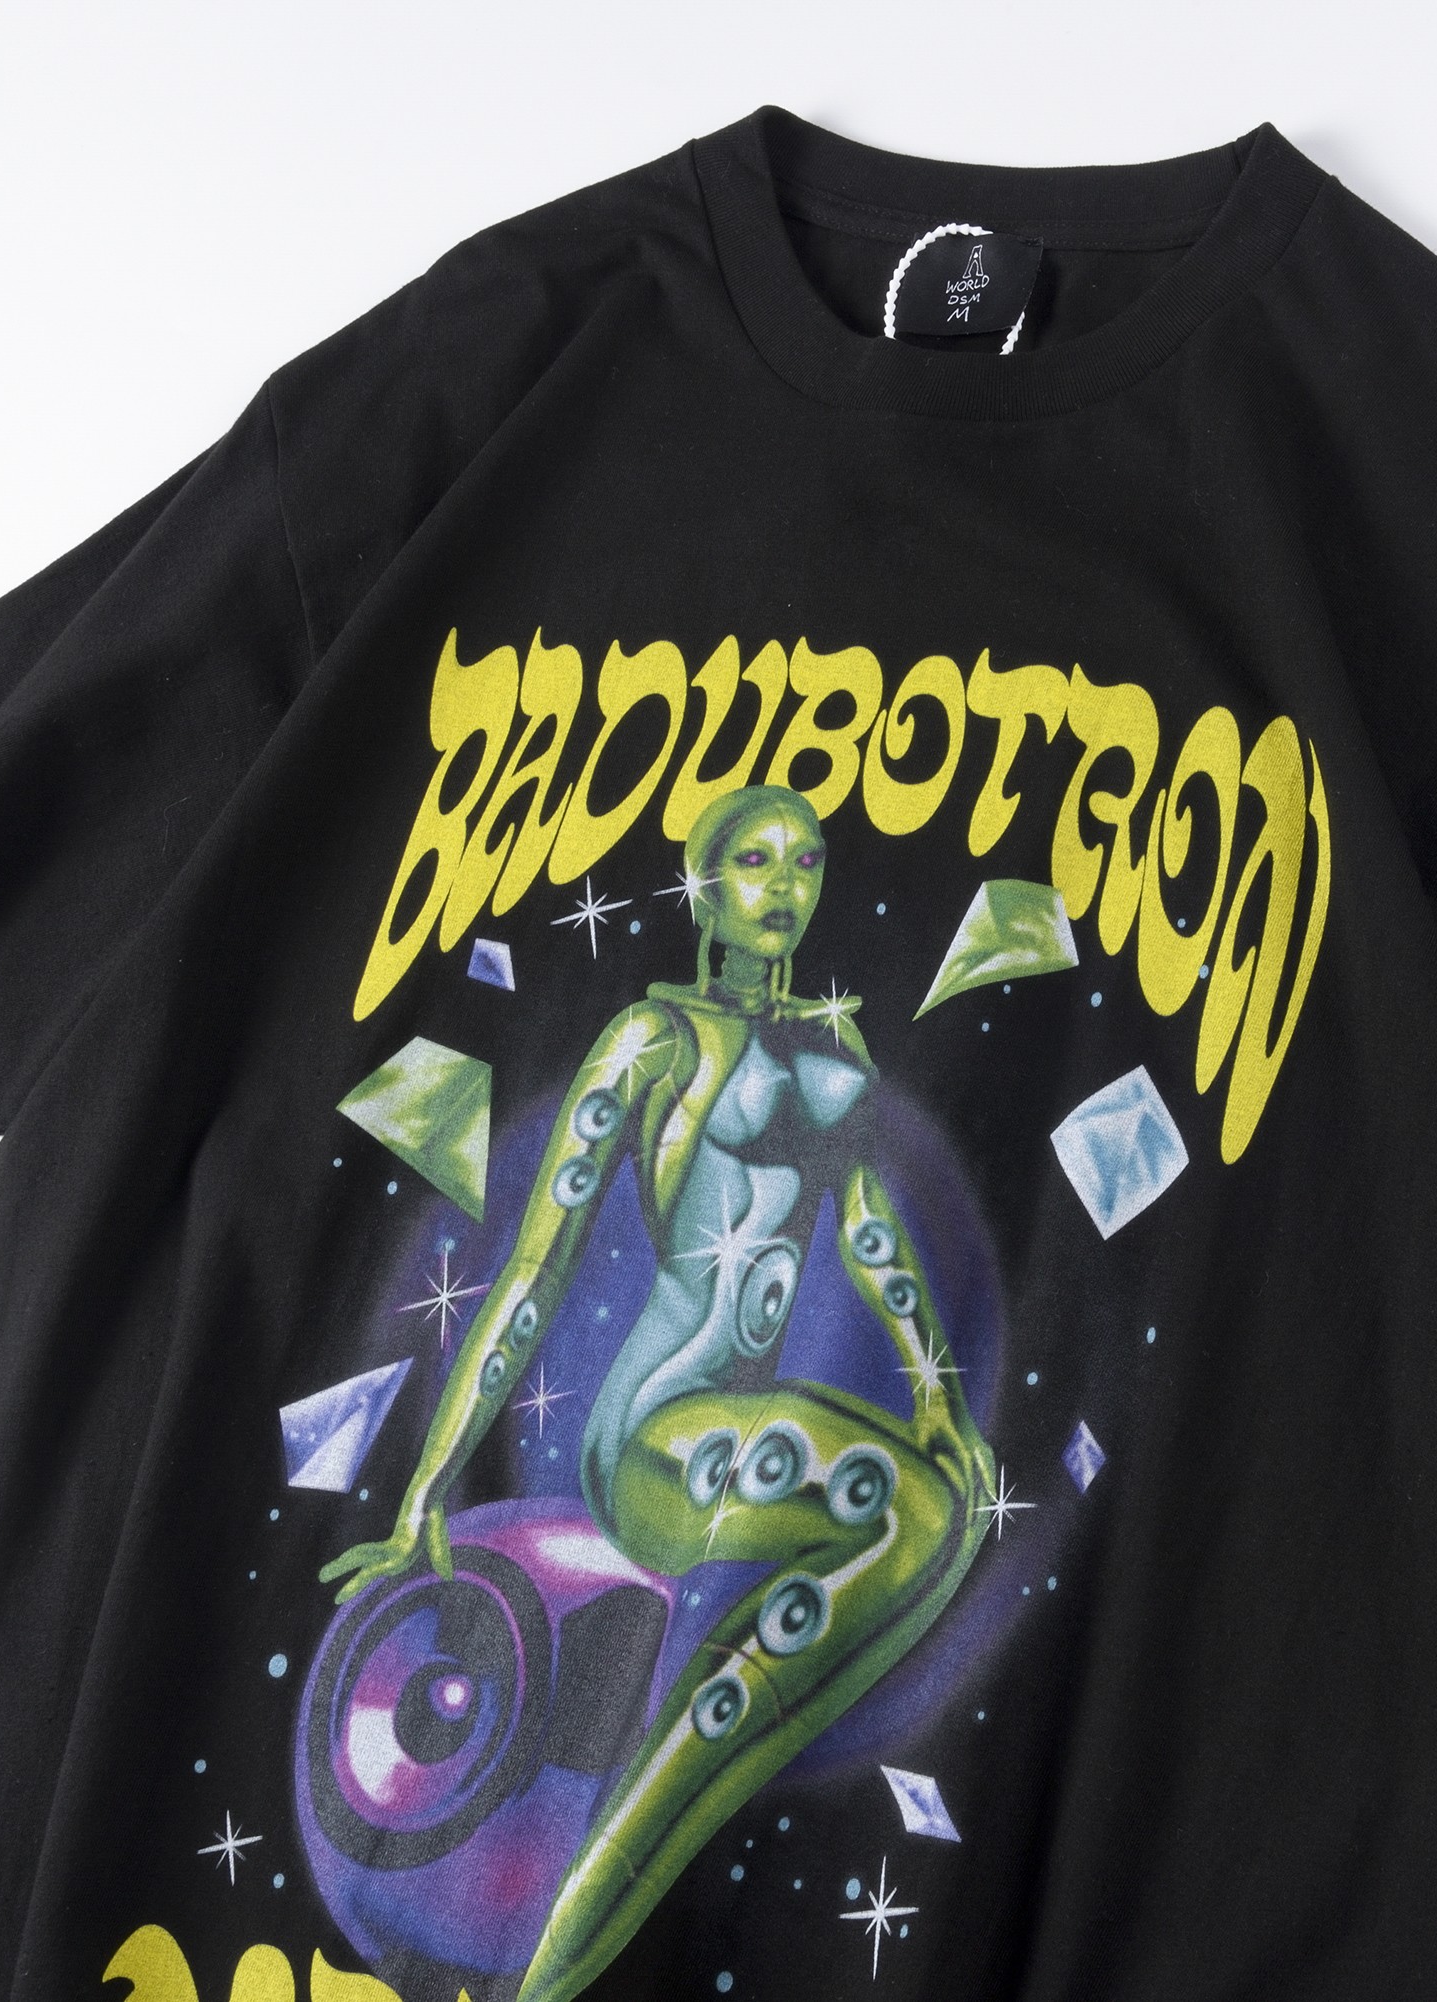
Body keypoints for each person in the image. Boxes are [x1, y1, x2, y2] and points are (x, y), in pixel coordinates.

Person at [321, 783, 995, 2002]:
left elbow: (873, 1238)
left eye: (806, 862)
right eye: (755, 860)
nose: (784, 886)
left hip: (746, 1432)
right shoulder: (653, 1039)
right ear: (703, 883)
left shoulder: (833, 1051)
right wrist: (429, 1483)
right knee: (909, 1514)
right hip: (654, 1435)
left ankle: (626, 1847)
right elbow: (535, 1268)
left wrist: (938, 1394)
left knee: (928, 1514)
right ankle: (608, 1878)